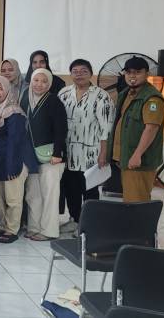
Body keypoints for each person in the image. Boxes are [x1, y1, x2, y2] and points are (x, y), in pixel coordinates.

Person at [0, 76, 37, 243]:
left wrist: (13, 167)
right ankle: (2, 224)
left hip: (15, 161)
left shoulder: (14, 112)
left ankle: (12, 229)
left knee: (13, 198)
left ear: (7, 91)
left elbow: (15, 142)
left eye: (1, 89)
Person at [58, 59, 114, 224]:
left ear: (90, 73)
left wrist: (103, 153)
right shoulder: (64, 93)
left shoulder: (101, 96)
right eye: (75, 71)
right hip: (69, 152)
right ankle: (75, 220)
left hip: (91, 153)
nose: (79, 75)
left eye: (83, 71)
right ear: (71, 74)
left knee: (89, 189)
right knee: (71, 189)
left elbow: (106, 128)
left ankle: (91, 224)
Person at [107, 56, 164, 203]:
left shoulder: (152, 98)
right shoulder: (125, 94)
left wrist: (137, 155)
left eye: (137, 72)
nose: (132, 76)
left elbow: (151, 128)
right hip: (126, 157)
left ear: (147, 74)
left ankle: (139, 220)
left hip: (139, 161)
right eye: (128, 72)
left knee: (137, 202)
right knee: (130, 200)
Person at [20, 68, 68, 241]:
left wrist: (57, 153)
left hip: (52, 157)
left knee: (50, 194)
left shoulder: (54, 101)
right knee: (33, 194)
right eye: (36, 80)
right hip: (31, 156)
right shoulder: (25, 98)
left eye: (44, 81)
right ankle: (34, 227)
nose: (39, 84)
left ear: (49, 84)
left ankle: (49, 231)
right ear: (31, 81)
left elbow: (61, 129)